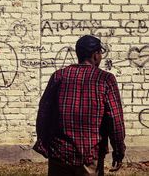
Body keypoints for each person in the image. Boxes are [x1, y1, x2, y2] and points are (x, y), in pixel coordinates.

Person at [33, 35, 126, 176]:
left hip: (60, 153)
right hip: (89, 155)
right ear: (95, 55)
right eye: (100, 53)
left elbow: (44, 113)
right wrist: (118, 151)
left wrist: (44, 144)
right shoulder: (105, 79)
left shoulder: (59, 76)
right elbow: (115, 119)